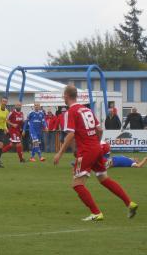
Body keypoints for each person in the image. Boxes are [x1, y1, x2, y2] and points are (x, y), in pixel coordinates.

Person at [53, 85, 138, 221]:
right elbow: (99, 129)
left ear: (66, 96)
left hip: (86, 151)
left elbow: (70, 134)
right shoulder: (87, 109)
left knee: (77, 184)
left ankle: (96, 213)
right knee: (103, 178)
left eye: (64, 95)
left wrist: (60, 153)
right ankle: (130, 203)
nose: (63, 97)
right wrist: (94, 144)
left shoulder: (71, 112)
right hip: (96, 148)